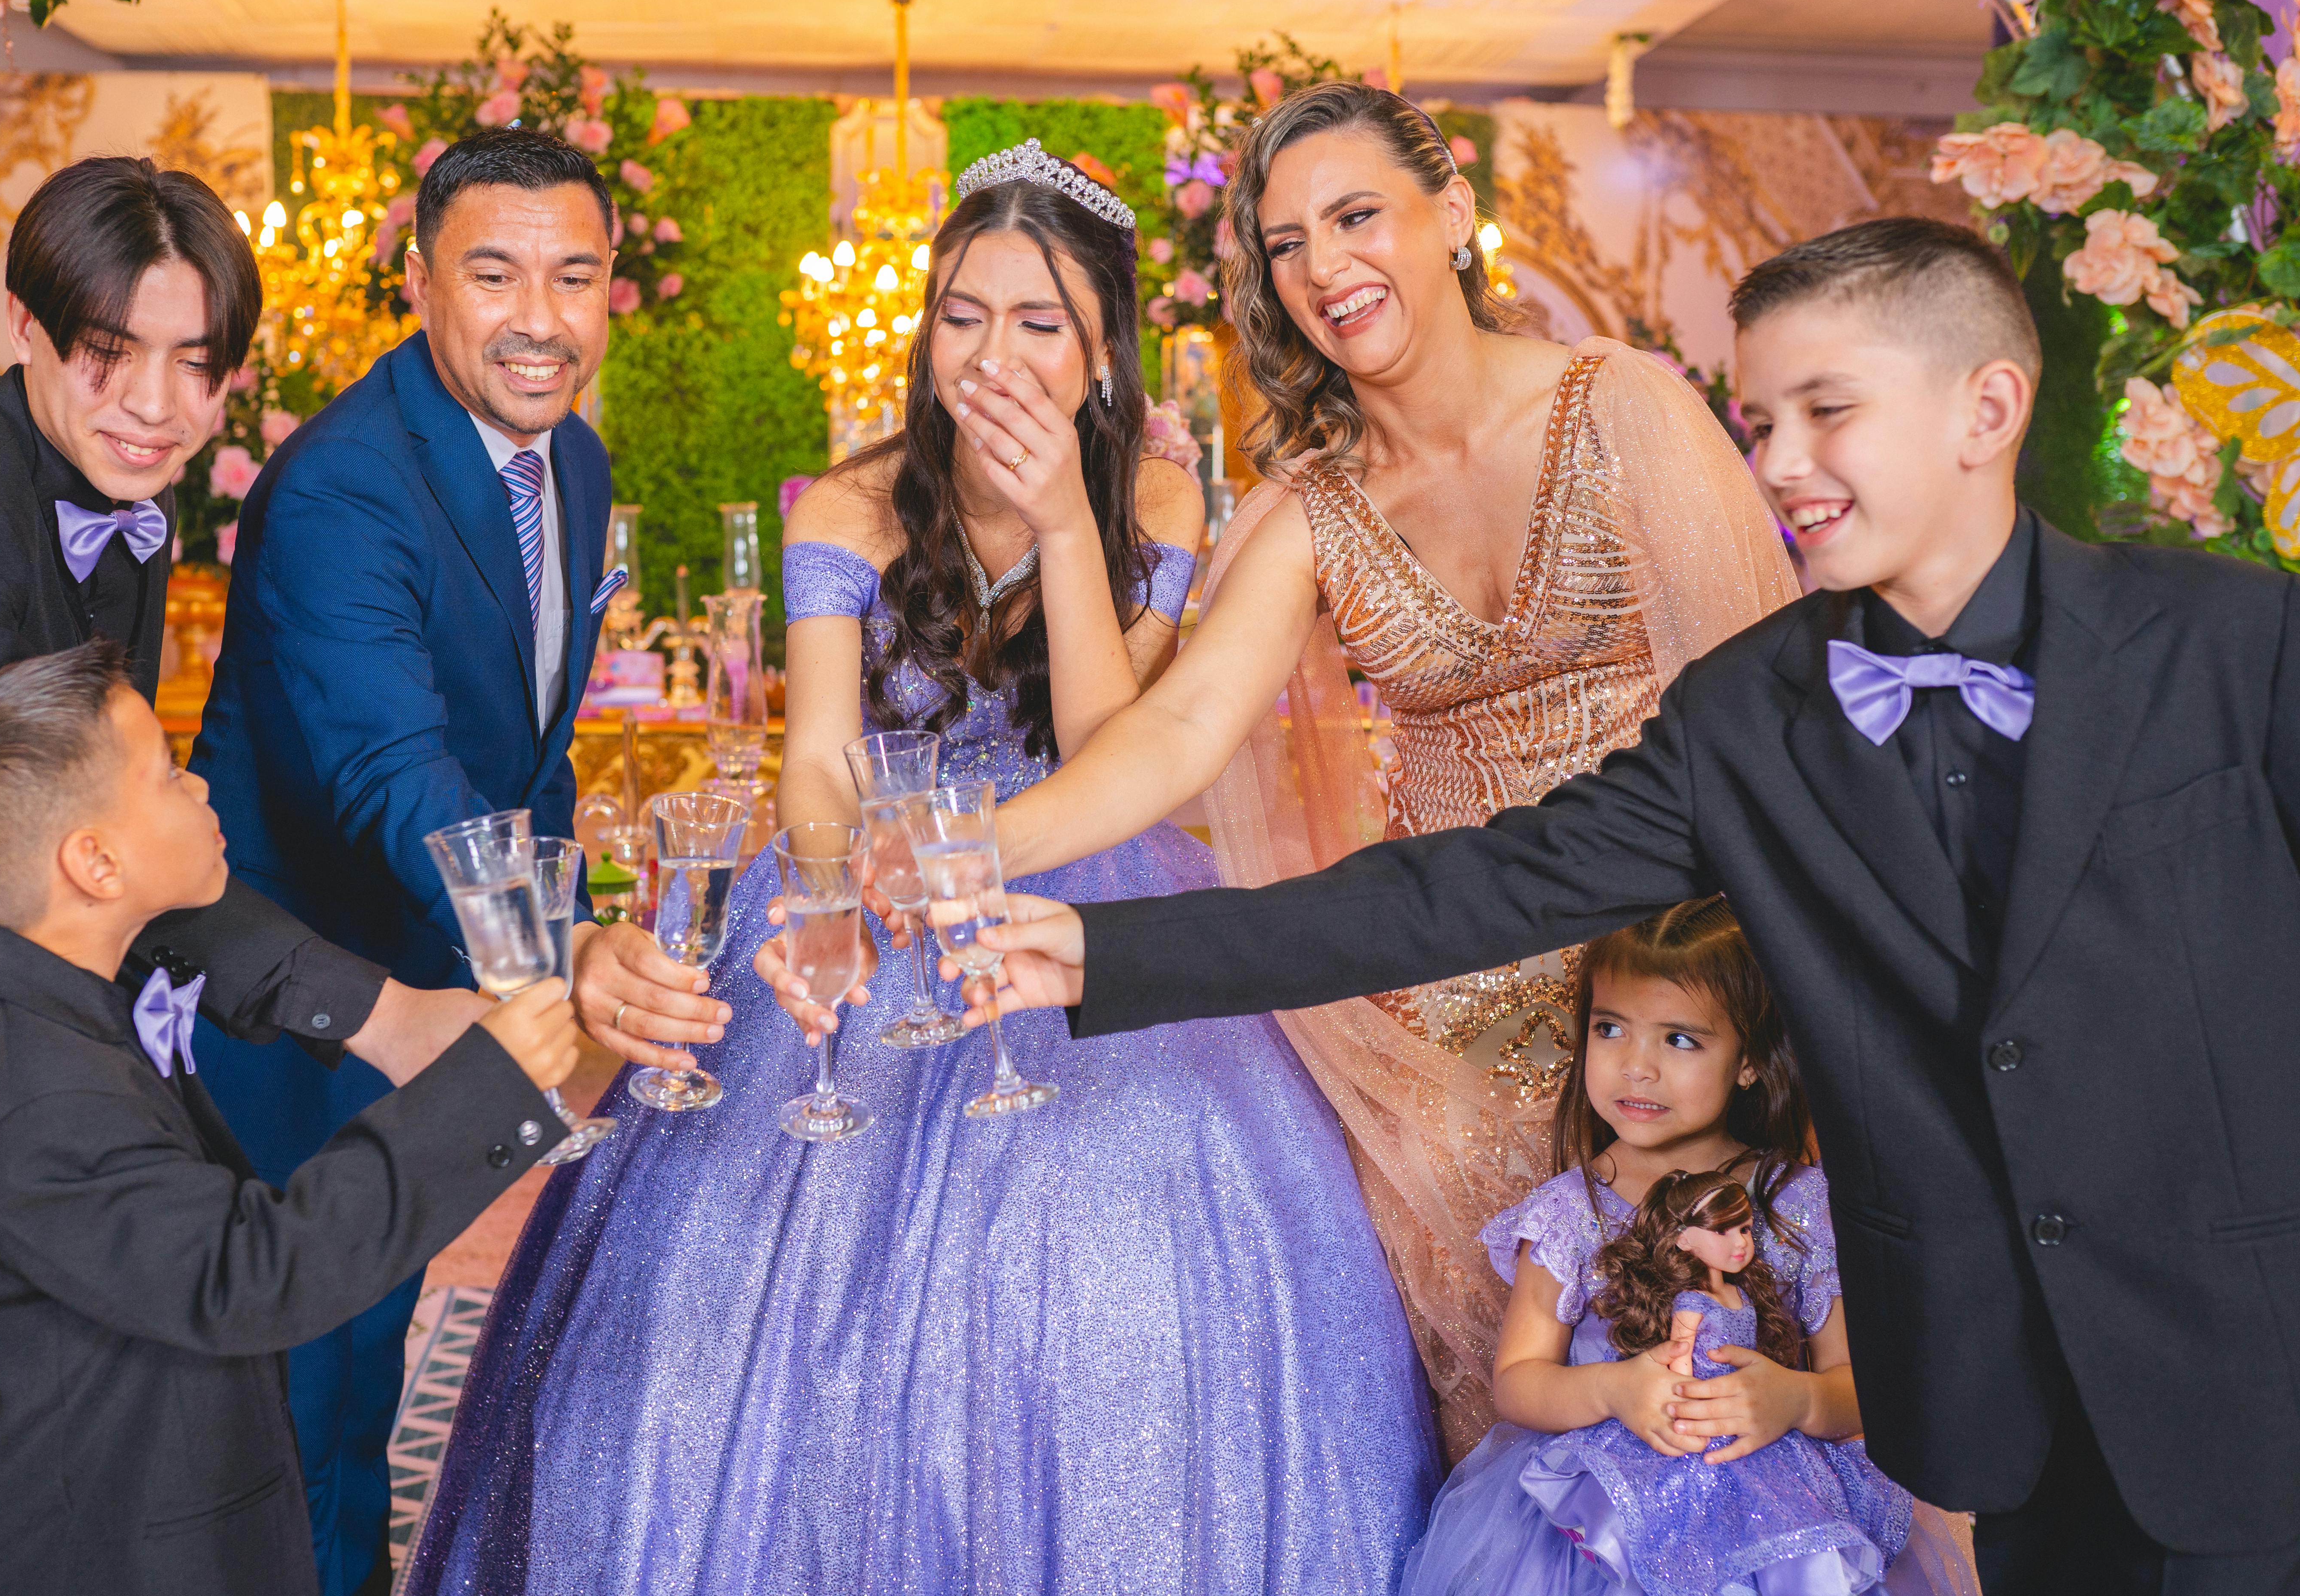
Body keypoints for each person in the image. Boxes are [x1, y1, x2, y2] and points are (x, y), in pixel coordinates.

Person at [970, 215, 2300, 1593]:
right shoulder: (1749, 714)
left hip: (2248, 1353)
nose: (1780, 465)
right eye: (1761, 419)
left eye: (1827, 413)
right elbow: (1468, 888)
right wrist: (1097, 948)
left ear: (1990, 407)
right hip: (1980, 1397)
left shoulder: (2235, 644)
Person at [403, 144, 1441, 1594]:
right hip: (870, 878)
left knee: (1113, 1248)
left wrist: (1074, 525)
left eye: (1040, 324)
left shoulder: (1156, 495)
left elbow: (1105, 740)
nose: (995, 357)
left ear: (1101, 347)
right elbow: (817, 762)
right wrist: (839, 886)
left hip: (1082, 868)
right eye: (964, 315)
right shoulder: (850, 504)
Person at [966, 81, 1796, 1451]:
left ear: (1456, 212)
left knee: (1701, 1405)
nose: (1324, 269)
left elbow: (1775, 737)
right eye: (1284, 245)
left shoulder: (1629, 410)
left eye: (1355, 217)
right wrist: (978, 854)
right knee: (1497, 1419)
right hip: (1446, 1037)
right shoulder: (1311, 502)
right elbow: (1166, 736)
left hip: (1676, 988)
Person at [0, 157, 486, 1596]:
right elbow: (75, 838)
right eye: (111, 352)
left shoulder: (110, 501)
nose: (156, 404)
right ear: (26, 330)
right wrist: (376, 1014)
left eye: (197, 367)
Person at [190, 126, 724, 1596]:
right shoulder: (345, 486)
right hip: (292, 1001)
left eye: (574, 276)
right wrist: (561, 953)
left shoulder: (578, 464)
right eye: (495, 275)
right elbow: (395, 777)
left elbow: (527, 761)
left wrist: (548, 952)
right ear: (418, 281)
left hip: (428, 990)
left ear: (614, 288)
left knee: (376, 1358)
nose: (539, 318)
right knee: (294, 1390)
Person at [0, 640, 579, 1595]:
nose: (201, 786)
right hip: (118, 1542)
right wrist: (490, 1087)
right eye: (166, 773)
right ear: (96, 862)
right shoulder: (34, 1091)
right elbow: (253, 1270)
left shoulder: (31, 1010)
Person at [1395, 901, 1974, 1596]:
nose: (1636, 1068)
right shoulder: (1568, 1212)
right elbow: (1519, 1380)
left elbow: (1863, 1389)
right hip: (1597, 1527)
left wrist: (1796, 1401)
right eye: (1610, 1029)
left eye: (1680, 1040)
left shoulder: (1798, 1203)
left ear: (1751, 1061)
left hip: (1775, 1530)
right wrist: (1612, 1388)